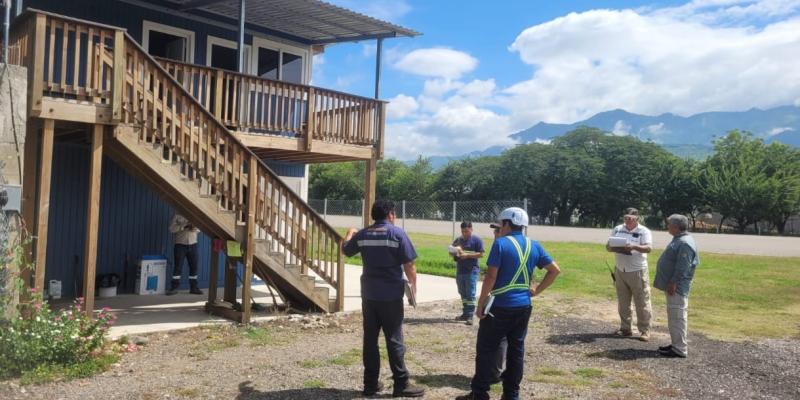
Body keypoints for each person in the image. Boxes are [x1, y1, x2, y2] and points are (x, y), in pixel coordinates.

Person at [457, 207, 561, 400]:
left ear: (505, 224)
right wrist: (536, 290)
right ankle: (511, 394)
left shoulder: (501, 244)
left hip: (499, 307)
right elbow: (554, 270)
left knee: (486, 349)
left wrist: (481, 304)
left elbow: (491, 276)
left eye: (500, 225)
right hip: (523, 306)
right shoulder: (534, 245)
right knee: (516, 351)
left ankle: (480, 394)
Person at [343, 200, 425, 398]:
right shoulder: (397, 234)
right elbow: (409, 263)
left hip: (369, 296)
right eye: (394, 213)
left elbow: (346, 250)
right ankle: (401, 384)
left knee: (370, 340)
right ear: (389, 214)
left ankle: (370, 384)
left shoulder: (363, 234)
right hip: (391, 295)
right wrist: (413, 286)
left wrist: (349, 233)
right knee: (394, 339)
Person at [654, 214, 700, 358]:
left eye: (669, 224)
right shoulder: (679, 239)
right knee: (674, 316)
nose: (667, 227)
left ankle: (679, 349)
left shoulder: (685, 243)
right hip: (673, 286)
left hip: (677, 288)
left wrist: (673, 282)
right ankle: (676, 344)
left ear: (675, 226)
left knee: (677, 316)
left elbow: (683, 267)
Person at [605, 207, 653, 341]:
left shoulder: (644, 231)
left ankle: (645, 331)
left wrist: (633, 247)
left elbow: (649, 248)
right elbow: (608, 246)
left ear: (637, 219)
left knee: (642, 301)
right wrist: (612, 247)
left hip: (637, 270)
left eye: (630, 219)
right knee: (623, 301)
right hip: (620, 269)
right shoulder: (618, 229)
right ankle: (625, 329)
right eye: (625, 218)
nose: (627, 221)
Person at [452, 221, 485, 325]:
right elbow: (453, 251)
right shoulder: (458, 240)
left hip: (471, 271)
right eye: (463, 231)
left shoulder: (476, 240)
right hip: (460, 270)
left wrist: (467, 255)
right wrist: (453, 252)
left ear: (471, 229)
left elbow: (481, 254)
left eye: (467, 231)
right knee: (463, 292)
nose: (465, 233)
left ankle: (470, 315)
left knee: (470, 293)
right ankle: (465, 313)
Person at [167, 213, 202, 295]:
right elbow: (171, 229)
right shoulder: (177, 215)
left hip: (193, 244)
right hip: (180, 245)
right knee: (178, 267)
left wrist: (194, 228)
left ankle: (194, 288)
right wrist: (183, 226)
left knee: (194, 267)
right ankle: (173, 288)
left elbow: (199, 229)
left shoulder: (195, 216)